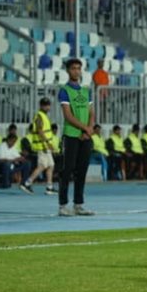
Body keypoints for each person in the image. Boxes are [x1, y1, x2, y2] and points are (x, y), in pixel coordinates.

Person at [57, 58, 96, 215]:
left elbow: (91, 112)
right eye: (73, 68)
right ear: (68, 70)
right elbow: (68, 115)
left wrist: (89, 129)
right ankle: (63, 205)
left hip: (85, 136)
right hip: (72, 135)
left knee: (82, 170)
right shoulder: (64, 90)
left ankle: (78, 204)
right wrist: (84, 128)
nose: (76, 71)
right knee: (67, 170)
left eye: (79, 68)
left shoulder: (86, 90)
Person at [20, 98, 58, 194]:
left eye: (48, 105)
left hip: (44, 145)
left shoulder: (44, 116)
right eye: (45, 105)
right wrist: (47, 143)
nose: (47, 107)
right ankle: (27, 183)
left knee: (50, 165)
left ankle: (49, 187)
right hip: (42, 145)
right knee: (42, 165)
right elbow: (40, 131)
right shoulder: (39, 116)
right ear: (41, 106)